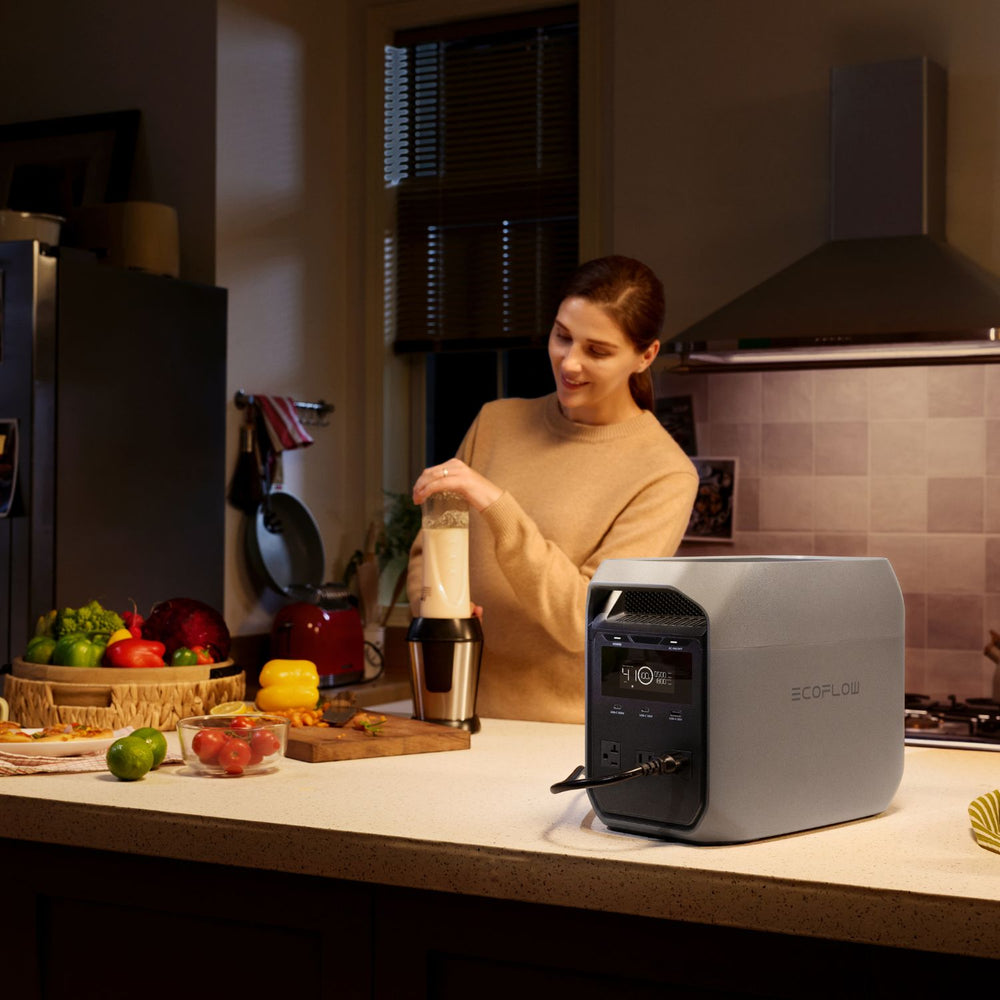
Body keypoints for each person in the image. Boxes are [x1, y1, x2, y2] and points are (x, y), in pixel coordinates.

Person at [406, 255, 699, 723]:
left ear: (645, 356)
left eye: (598, 351)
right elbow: (429, 551)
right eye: (562, 336)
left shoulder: (664, 474)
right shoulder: (495, 422)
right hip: (453, 714)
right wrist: (440, 608)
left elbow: (589, 622)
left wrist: (498, 507)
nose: (570, 361)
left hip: (560, 738)